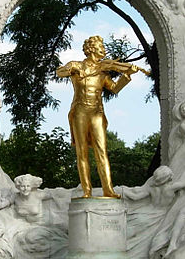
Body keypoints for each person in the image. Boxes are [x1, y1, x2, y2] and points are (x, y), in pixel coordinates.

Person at [56, 35, 135, 198]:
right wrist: (72, 69)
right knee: (82, 151)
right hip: (79, 111)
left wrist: (127, 75)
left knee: (102, 151)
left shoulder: (102, 72)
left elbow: (114, 88)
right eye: (101, 48)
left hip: (97, 112)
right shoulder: (76, 65)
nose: (104, 51)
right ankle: (86, 191)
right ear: (91, 49)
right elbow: (59, 72)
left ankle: (108, 189)